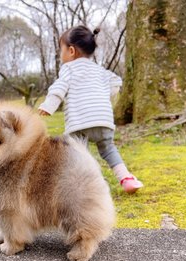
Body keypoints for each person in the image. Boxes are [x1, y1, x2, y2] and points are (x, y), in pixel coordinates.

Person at [38, 25, 143, 193]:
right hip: (103, 120)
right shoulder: (100, 70)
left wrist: (48, 106)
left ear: (71, 50)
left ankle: (92, 186)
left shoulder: (69, 69)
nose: (60, 54)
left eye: (61, 49)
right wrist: (101, 98)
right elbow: (116, 82)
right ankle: (126, 178)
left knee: (80, 154)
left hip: (80, 123)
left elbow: (59, 88)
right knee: (108, 149)